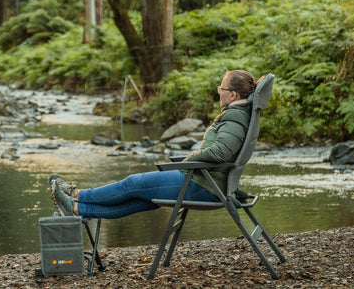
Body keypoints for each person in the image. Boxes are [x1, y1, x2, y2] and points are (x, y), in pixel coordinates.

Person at [49, 69, 257, 219]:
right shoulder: (237, 115)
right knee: (141, 199)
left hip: (203, 186)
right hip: (206, 182)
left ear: (233, 95)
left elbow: (220, 152)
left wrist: (190, 159)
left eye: (222, 88)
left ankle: (76, 194)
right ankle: (76, 209)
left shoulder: (234, 118)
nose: (219, 91)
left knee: (132, 183)